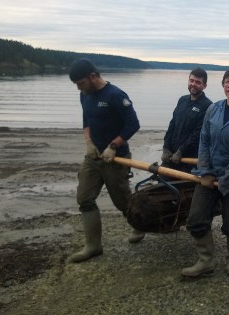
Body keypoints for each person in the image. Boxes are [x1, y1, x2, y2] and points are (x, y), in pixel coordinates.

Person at [181, 67, 229, 277]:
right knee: (196, 219)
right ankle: (205, 261)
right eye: (227, 81)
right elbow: (204, 141)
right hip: (208, 175)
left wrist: (225, 182)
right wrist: (206, 172)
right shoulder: (213, 109)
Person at [67, 58, 144, 263]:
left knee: (122, 201)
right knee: (84, 198)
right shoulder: (85, 95)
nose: (79, 88)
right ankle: (93, 246)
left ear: (93, 76)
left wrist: (113, 146)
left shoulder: (116, 95)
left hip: (116, 158)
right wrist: (88, 143)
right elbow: (86, 120)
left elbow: (133, 124)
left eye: (81, 83)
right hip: (93, 157)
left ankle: (139, 225)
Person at [161, 68, 212, 175]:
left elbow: (197, 134)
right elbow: (172, 125)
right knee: (162, 185)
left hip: (189, 159)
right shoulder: (182, 100)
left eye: (198, 82)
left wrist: (181, 151)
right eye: (191, 80)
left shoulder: (208, 106)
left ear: (205, 86)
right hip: (171, 155)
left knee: (182, 189)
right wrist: (166, 147)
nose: (193, 84)